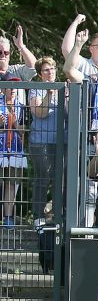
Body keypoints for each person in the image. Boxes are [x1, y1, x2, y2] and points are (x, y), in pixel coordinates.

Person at [27, 57, 60, 227]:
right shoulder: (36, 89)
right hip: (39, 142)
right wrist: (48, 95)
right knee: (43, 177)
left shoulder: (62, 88)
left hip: (58, 142)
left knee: (58, 178)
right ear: (40, 74)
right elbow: (40, 113)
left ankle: (56, 216)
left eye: (52, 68)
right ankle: (38, 216)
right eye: (46, 70)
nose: (50, 72)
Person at [0, 76, 26, 226]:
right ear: (4, 89)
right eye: (10, 86)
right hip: (1, 147)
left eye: (16, 86)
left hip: (15, 149)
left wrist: (12, 118)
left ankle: (8, 217)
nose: (13, 89)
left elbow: (23, 130)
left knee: (11, 183)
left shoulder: (22, 106)